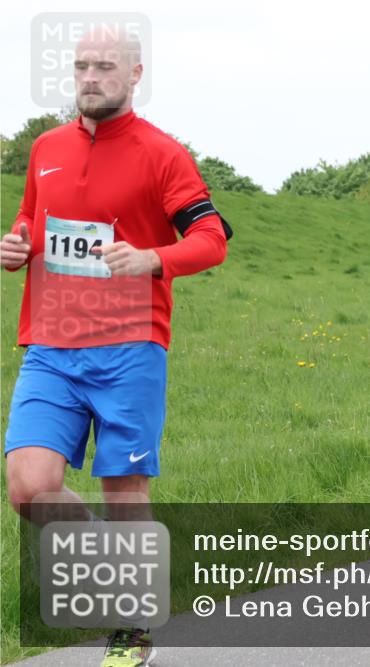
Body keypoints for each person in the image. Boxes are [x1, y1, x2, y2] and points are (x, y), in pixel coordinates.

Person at [1, 25, 230, 667]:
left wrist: (152, 257)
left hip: (131, 344)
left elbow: (211, 238)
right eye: (81, 66)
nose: (90, 77)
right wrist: (17, 246)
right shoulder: (46, 148)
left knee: (123, 487)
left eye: (105, 66)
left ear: (134, 75)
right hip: (51, 345)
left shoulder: (163, 155)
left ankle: (130, 628)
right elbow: (31, 221)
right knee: (28, 484)